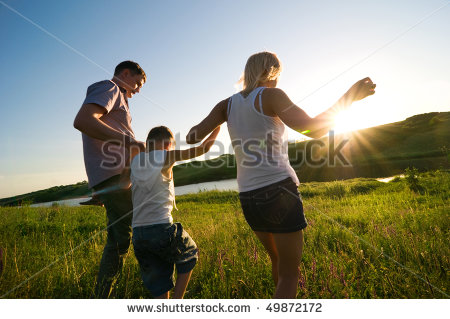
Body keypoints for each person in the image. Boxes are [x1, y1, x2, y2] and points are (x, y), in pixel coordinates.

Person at [186, 51, 375, 298]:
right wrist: (349, 97)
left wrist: (220, 120)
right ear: (270, 72)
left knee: (277, 262)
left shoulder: (226, 105)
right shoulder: (272, 95)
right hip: (279, 190)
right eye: (278, 75)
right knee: (289, 274)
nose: (278, 81)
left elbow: (191, 137)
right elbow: (313, 128)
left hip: (248, 197)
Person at [73, 61, 147, 298]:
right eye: (137, 83)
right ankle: (104, 296)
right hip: (114, 176)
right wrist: (130, 142)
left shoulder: (119, 98)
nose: (137, 90)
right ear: (125, 73)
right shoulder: (110, 88)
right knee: (133, 234)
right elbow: (83, 121)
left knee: (121, 237)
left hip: (118, 179)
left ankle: (104, 294)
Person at [123, 125, 220, 298]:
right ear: (168, 145)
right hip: (161, 229)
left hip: (138, 235)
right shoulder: (165, 156)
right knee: (190, 253)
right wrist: (217, 127)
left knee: (160, 286)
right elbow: (202, 148)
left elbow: (124, 184)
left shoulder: (136, 161)